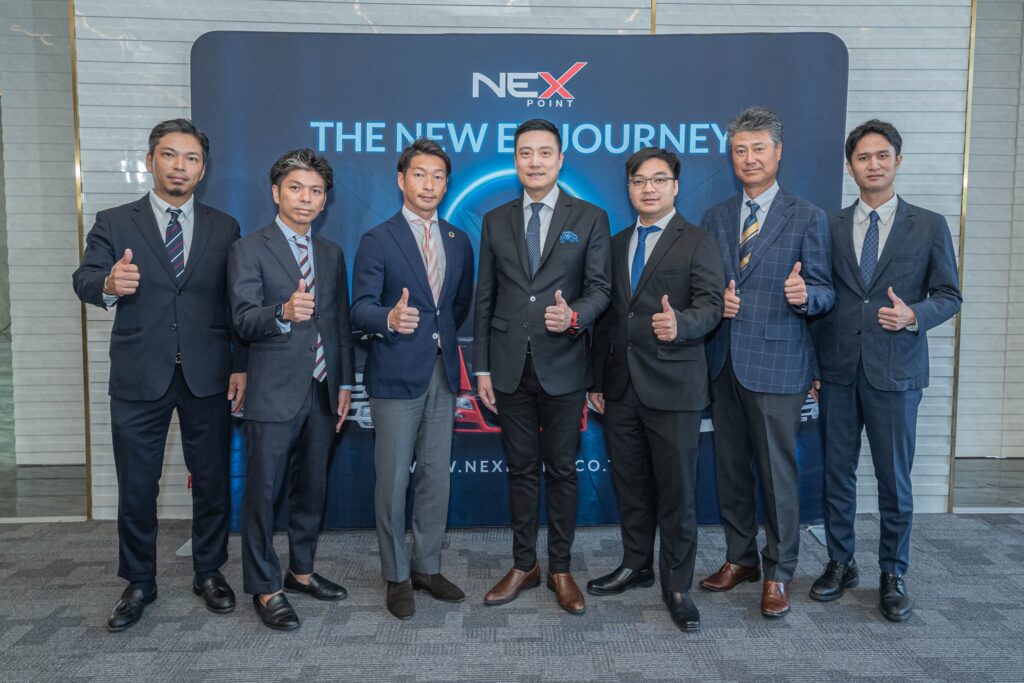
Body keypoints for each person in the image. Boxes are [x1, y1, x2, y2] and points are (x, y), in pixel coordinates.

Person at [72, 119, 247, 632]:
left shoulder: (224, 227)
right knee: (136, 485)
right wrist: (109, 283)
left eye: (191, 158)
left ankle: (209, 571)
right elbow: (84, 278)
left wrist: (241, 364)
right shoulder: (114, 221)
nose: (179, 166)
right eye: (169, 155)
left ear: (203, 169)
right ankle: (138, 580)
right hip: (139, 373)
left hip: (207, 374)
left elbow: (236, 303)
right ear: (150, 161)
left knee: (211, 482)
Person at [809, 120, 961, 621]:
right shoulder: (829, 225)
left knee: (894, 478)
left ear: (898, 160)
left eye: (881, 156)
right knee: (837, 473)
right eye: (862, 157)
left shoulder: (929, 224)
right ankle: (840, 561)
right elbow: (822, 297)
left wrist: (913, 314)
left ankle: (893, 572)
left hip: (896, 372)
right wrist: (813, 365)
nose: (872, 165)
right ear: (849, 166)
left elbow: (949, 295)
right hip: (837, 370)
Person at [698, 105, 834, 618]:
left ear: (778, 152)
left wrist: (805, 295)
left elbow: (826, 292)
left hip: (779, 364)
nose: (749, 158)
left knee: (777, 474)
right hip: (724, 361)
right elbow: (704, 288)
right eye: (740, 150)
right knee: (730, 469)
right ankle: (740, 559)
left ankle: (778, 571)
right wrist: (715, 304)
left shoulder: (808, 216)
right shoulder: (714, 217)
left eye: (758, 148)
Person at [474, 118, 612, 615]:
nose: (535, 161)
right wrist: (482, 369)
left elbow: (601, 289)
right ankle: (523, 564)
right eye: (525, 153)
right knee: (520, 469)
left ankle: (560, 568)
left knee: (563, 470)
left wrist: (575, 315)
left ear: (560, 159)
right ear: (515, 160)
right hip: (509, 366)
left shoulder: (590, 217)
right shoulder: (495, 220)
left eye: (544, 152)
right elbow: (485, 297)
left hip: (564, 364)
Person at [586, 148, 723, 632]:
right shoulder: (616, 242)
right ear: (628, 188)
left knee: (677, 492)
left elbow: (711, 305)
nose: (648, 188)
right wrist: (596, 380)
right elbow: (607, 318)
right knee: (631, 486)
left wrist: (682, 323)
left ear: (675, 186)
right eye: (639, 181)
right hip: (620, 387)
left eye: (659, 179)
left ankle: (678, 585)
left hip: (674, 385)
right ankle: (636, 564)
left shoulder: (698, 241)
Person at [227, 148, 355, 631]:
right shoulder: (249, 249)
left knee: (311, 489)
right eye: (297, 188)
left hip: (323, 389)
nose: (306, 198)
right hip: (272, 391)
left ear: (325, 199)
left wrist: (345, 382)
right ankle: (264, 586)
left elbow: (339, 324)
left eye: (316, 191)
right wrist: (281, 312)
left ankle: (301, 571)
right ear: (276, 191)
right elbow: (242, 319)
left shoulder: (331, 253)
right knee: (263, 494)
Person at [350, 139, 475, 620]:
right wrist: (389, 319)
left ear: (447, 184)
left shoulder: (458, 240)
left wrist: (432, 337)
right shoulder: (378, 239)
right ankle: (396, 574)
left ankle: (426, 566)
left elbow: (457, 307)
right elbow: (359, 308)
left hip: (442, 373)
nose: (429, 184)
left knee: (435, 477)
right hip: (395, 374)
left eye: (438, 176)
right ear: (401, 180)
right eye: (420, 174)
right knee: (392, 481)